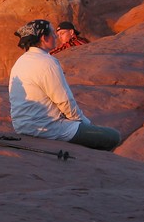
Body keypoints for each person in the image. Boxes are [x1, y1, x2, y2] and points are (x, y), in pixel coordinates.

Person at [8, 19, 120, 151]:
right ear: (44, 38)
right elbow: (64, 101)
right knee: (113, 136)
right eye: (53, 33)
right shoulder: (47, 62)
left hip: (22, 127)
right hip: (48, 128)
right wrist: (85, 124)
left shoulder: (20, 62)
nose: (56, 36)